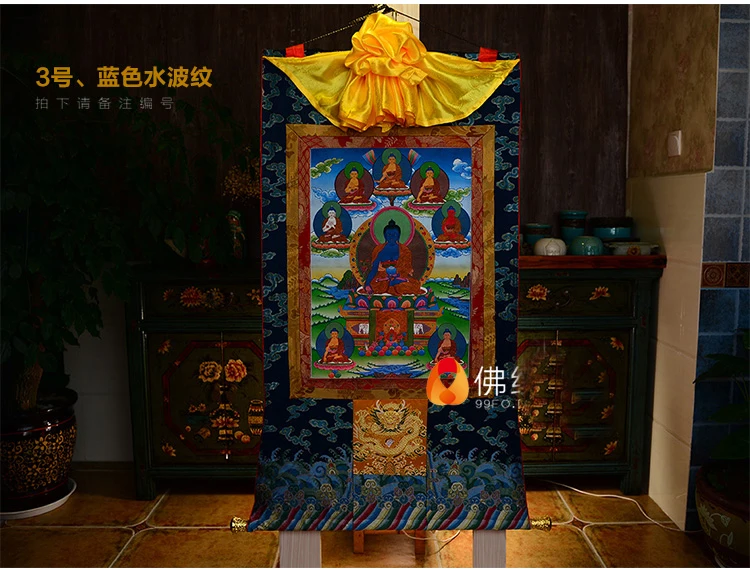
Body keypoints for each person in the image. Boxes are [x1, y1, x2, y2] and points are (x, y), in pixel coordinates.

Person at [364, 220, 421, 295]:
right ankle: (391, 285)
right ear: (385, 236)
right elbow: (374, 269)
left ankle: (393, 284)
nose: (392, 237)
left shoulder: (405, 250)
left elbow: (406, 269)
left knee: (414, 285)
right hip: (383, 279)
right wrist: (367, 284)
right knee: (374, 285)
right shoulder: (379, 250)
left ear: (398, 236)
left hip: (399, 279)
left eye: (395, 234)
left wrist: (398, 276)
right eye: (389, 234)